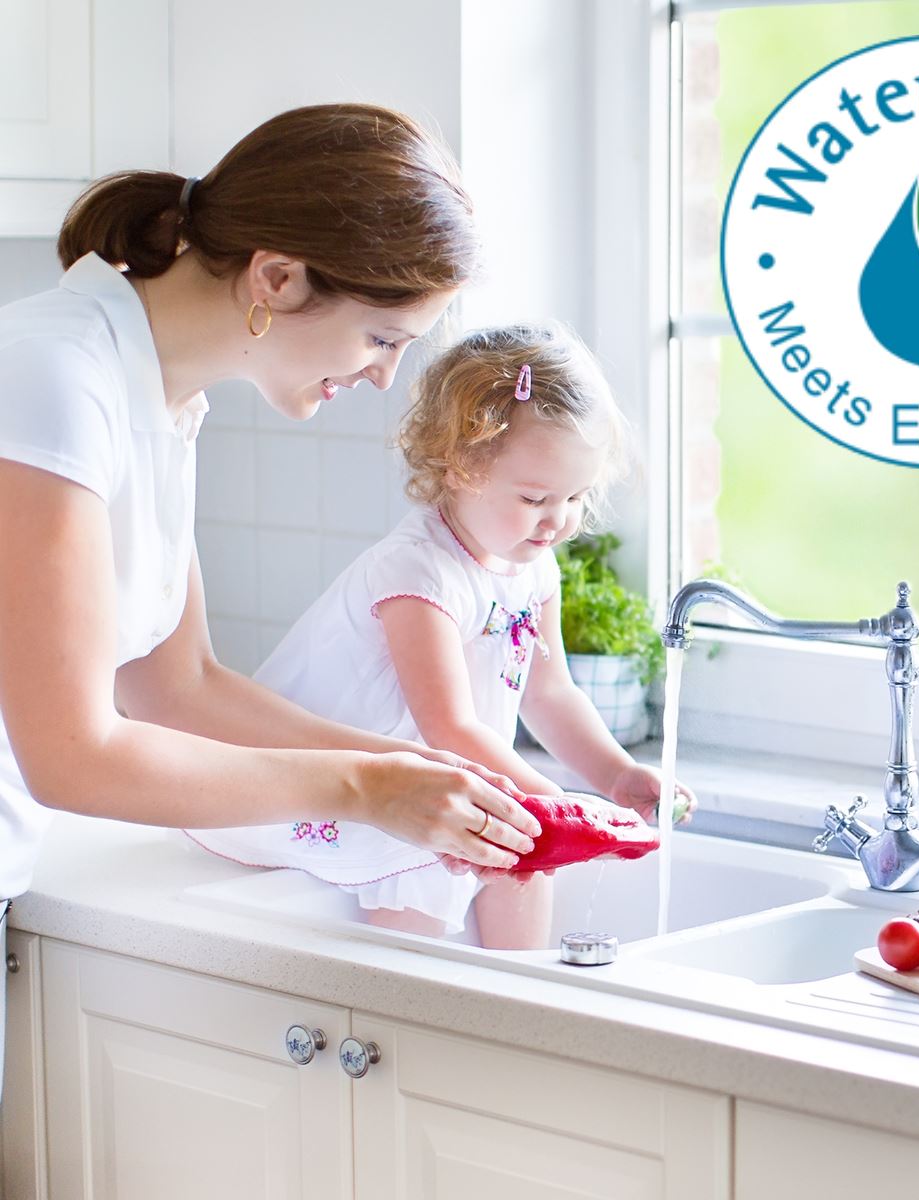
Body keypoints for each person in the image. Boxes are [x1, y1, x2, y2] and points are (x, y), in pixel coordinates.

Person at [0, 104, 544, 1092]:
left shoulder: (159, 398)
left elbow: (180, 684)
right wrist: (363, 792)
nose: (383, 379)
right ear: (278, 277)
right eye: (383, 338)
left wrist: (408, 764)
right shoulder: (53, 376)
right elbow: (70, 755)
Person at [187, 325, 696, 949]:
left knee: (525, 857)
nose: (559, 519)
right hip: (354, 788)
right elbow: (448, 727)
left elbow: (551, 694)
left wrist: (614, 777)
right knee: (434, 880)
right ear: (459, 467)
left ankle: (521, 1012)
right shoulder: (418, 571)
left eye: (576, 496)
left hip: (452, 777)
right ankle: (424, 1017)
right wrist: (562, 807)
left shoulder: (533, 565)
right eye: (536, 496)